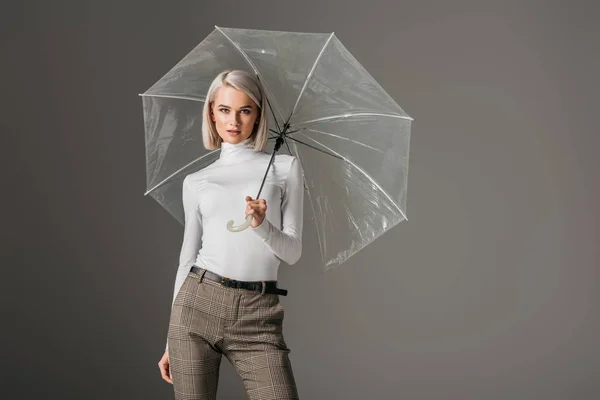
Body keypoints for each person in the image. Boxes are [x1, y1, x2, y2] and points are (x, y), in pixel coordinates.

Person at [157, 69, 304, 400]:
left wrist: (262, 225)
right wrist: (169, 339)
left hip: (259, 314)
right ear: (211, 111)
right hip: (196, 305)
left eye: (245, 110)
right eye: (224, 109)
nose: (233, 120)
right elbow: (187, 258)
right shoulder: (196, 181)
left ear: (258, 114)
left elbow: (292, 252)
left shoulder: (285, 169)